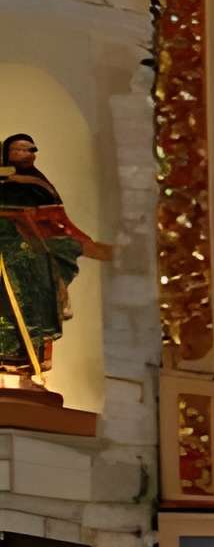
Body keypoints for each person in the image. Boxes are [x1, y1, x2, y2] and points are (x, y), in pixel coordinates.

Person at [0, 135, 100, 379]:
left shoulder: (40, 186)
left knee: (35, 311)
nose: (26, 153)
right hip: (4, 260)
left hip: (33, 263)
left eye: (29, 149)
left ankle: (28, 372)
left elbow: (56, 223)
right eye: (19, 149)